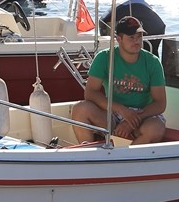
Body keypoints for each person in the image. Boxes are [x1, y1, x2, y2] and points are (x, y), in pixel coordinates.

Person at [70, 16, 167, 145]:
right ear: (118, 39)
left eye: (139, 37)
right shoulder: (104, 58)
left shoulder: (153, 62)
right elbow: (90, 93)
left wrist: (131, 120)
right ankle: (89, 154)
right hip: (113, 112)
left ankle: (127, 159)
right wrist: (122, 110)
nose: (136, 41)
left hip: (143, 114)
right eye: (131, 37)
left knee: (155, 129)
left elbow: (160, 103)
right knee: (80, 109)